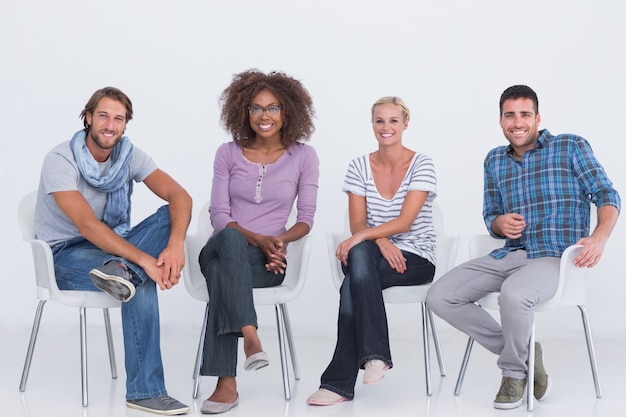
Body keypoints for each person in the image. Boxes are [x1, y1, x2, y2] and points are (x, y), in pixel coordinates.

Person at [426, 85, 621, 410]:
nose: (517, 122)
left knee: (514, 294)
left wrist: (599, 237)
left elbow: (606, 194)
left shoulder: (570, 146)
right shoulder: (494, 160)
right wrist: (500, 224)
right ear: (501, 120)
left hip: (556, 256)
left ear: (537, 118)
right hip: (511, 253)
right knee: (440, 296)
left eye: (524, 114)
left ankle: (514, 372)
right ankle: (527, 350)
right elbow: (491, 214)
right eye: (510, 115)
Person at [34, 87, 192, 415]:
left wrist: (175, 245)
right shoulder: (60, 159)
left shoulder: (129, 156)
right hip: (64, 255)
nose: (110, 124)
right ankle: (145, 391)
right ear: (88, 117)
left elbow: (180, 196)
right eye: (103, 115)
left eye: (118, 118)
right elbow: (88, 227)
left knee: (169, 217)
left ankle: (120, 270)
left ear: (125, 125)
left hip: (110, 249)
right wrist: (146, 261)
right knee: (140, 281)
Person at [197, 69, 319, 414]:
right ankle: (250, 336)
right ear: (243, 112)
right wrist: (257, 238)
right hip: (221, 246)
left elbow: (306, 220)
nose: (264, 116)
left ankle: (226, 385)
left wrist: (276, 242)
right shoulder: (228, 153)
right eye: (255, 109)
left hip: (267, 262)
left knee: (223, 275)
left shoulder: (304, 157)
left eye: (273, 108)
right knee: (231, 241)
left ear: (288, 112)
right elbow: (219, 214)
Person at [307, 96, 437, 406]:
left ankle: (338, 383)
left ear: (405, 124)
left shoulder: (422, 164)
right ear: (372, 125)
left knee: (353, 279)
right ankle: (375, 357)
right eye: (380, 120)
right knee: (361, 256)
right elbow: (357, 223)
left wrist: (368, 236)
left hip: (415, 257)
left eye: (393, 121)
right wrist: (378, 240)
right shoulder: (359, 166)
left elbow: (405, 222)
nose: (386, 127)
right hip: (373, 253)